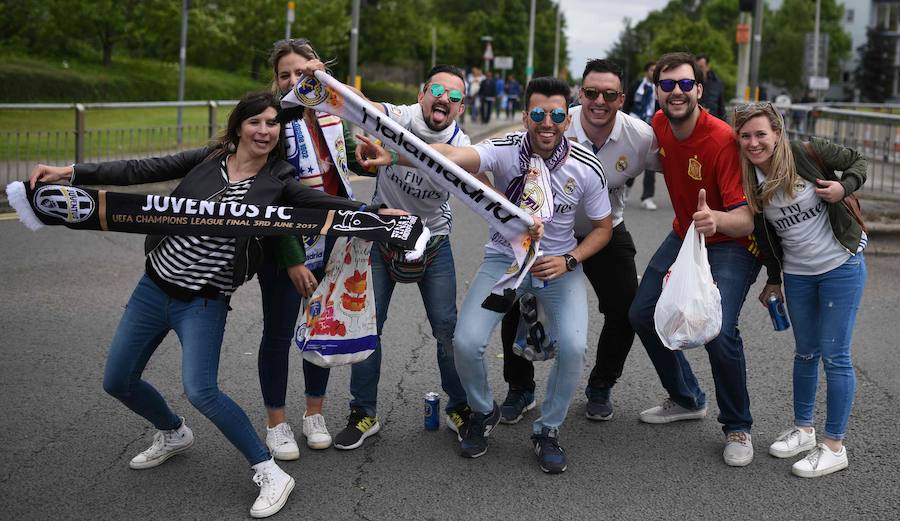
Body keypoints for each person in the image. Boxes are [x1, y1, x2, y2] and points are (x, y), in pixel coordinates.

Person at [28, 92, 371, 518]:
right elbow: (140, 169)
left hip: (204, 302)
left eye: (272, 124)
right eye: (256, 122)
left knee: (201, 389)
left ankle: (270, 472)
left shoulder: (279, 180)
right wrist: (71, 172)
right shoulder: (208, 158)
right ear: (239, 126)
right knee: (118, 381)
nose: (265, 131)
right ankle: (173, 432)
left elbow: (322, 205)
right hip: (153, 289)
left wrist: (378, 215)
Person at [423, 77, 613, 473]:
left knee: (574, 348)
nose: (548, 122)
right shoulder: (504, 149)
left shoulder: (586, 165)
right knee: (467, 341)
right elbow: (450, 156)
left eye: (558, 115)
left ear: (568, 119)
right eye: (539, 114)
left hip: (557, 265)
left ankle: (547, 429)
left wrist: (571, 260)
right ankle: (482, 410)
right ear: (526, 116)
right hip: (504, 261)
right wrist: (399, 154)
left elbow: (603, 229)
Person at [498, 59, 659, 424]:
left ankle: (601, 385)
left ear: (622, 98)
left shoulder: (641, 137)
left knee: (626, 308)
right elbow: (494, 155)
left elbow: (684, 162)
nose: (598, 101)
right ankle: (520, 388)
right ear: (579, 95)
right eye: (590, 93)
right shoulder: (552, 122)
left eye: (609, 94)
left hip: (605, 229)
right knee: (514, 298)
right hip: (549, 232)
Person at [627, 52, 760, 467]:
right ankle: (687, 398)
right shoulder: (659, 126)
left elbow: (746, 219)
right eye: (668, 85)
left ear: (699, 90)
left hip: (730, 242)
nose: (677, 92)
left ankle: (738, 425)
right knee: (642, 312)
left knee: (717, 329)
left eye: (686, 84)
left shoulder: (722, 140)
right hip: (685, 236)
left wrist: (714, 218)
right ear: (658, 91)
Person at [332, 64, 473, 450]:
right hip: (382, 235)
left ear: (460, 108)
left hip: (433, 241)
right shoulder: (401, 117)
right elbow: (359, 103)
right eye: (438, 91)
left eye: (456, 96)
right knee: (367, 327)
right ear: (422, 93)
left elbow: (471, 179)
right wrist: (319, 76)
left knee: (448, 329)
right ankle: (363, 413)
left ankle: (460, 407)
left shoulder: (461, 142)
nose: (445, 99)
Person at [733, 102, 868, 478]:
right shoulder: (750, 179)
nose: (754, 142)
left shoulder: (807, 153)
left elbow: (858, 161)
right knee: (805, 353)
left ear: (777, 132)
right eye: (746, 136)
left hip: (841, 265)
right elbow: (767, 235)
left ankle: (834, 445)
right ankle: (804, 429)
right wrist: (773, 279)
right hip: (798, 274)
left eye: (761, 134)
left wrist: (844, 187)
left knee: (835, 355)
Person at [257, 38, 363, 459]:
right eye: (286, 75)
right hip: (285, 245)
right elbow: (272, 194)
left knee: (322, 327)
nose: (294, 80)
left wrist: (371, 158)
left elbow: (347, 157)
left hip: (332, 236)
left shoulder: (333, 110)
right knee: (279, 332)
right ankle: (276, 423)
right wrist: (293, 260)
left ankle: (314, 414)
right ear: (276, 80)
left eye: (303, 73)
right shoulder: (273, 121)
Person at [624, 61, 658, 211]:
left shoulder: (660, 88)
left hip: (651, 127)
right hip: (634, 126)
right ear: (646, 71)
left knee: (651, 162)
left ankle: (648, 197)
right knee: (632, 159)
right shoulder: (637, 85)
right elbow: (627, 104)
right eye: (652, 70)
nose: (654, 73)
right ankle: (625, 188)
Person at [696, 54, 726, 120]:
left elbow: (721, 108)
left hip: (714, 121)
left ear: (707, 67)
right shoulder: (692, 83)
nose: (698, 70)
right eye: (697, 67)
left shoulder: (717, 83)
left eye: (701, 67)